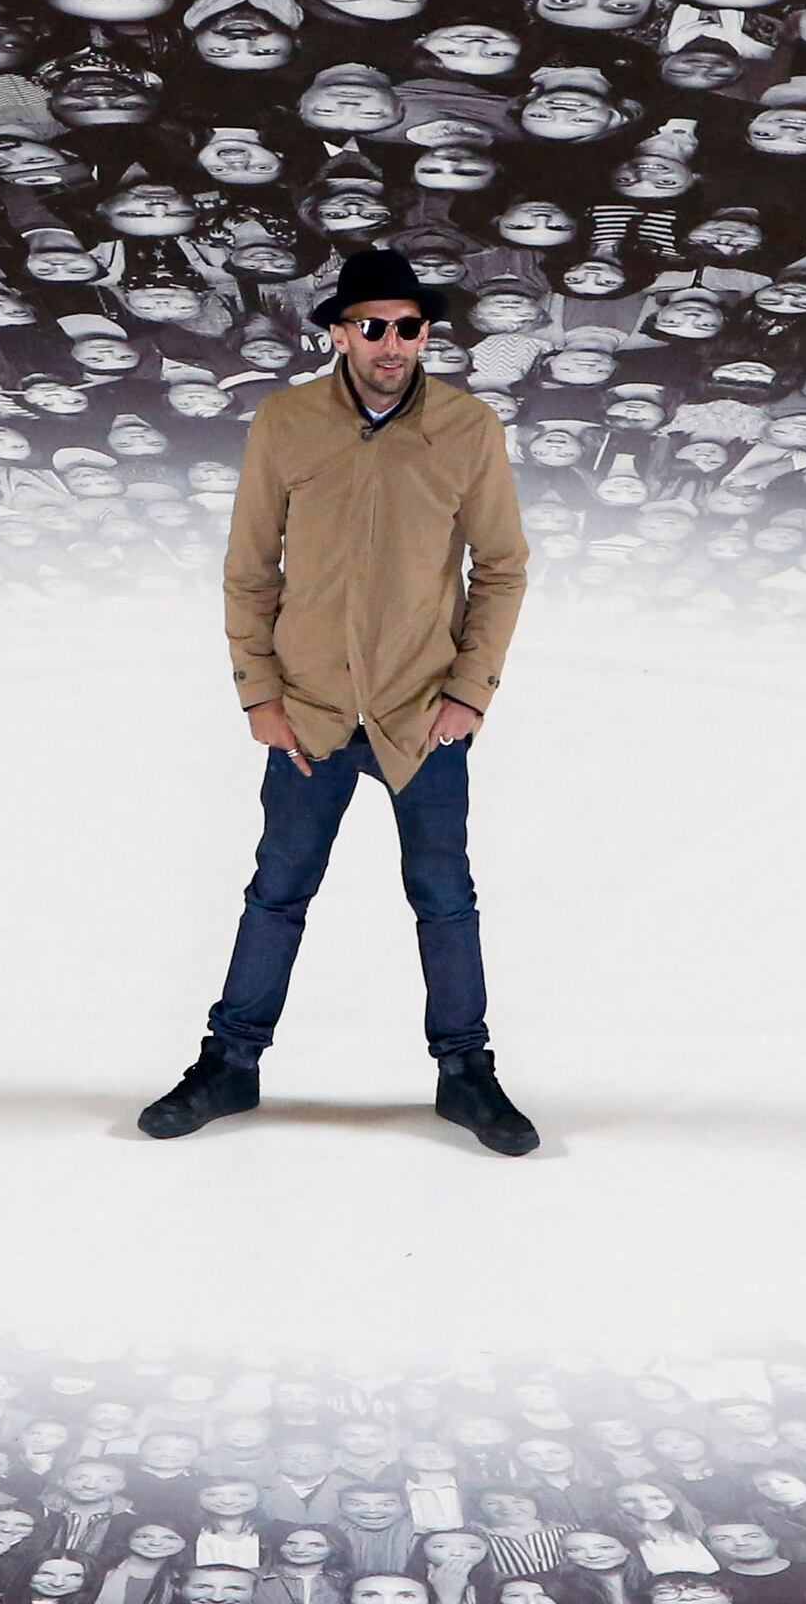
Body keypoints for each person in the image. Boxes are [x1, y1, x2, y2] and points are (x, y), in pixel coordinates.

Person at [144, 245, 537, 1152]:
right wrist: (259, 695)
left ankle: (465, 1075)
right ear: (338, 333)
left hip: (421, 715)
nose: (392, 343)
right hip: (310, 715)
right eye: (373, 327)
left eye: (408, 327)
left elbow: (503, 568)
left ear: (426, 334)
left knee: (445, 899)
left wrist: (469, 694)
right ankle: (229, 1066)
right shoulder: (285, 422)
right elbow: (249, 570)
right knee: (276, 892)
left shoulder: (469, 427)